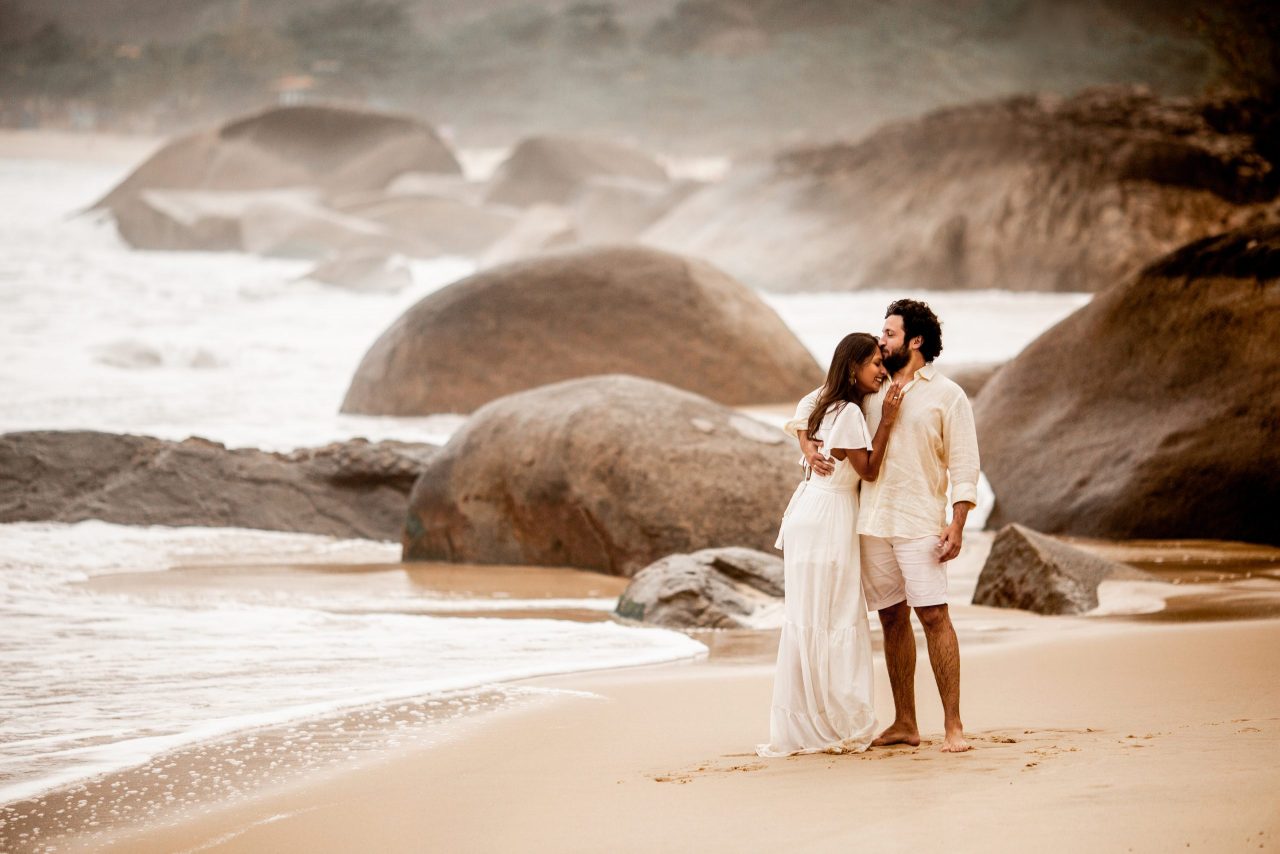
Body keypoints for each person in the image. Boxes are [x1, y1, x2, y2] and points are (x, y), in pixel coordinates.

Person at [791, 299, 979, 753]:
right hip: (870, 521)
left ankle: (953, 725)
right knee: (892, 619)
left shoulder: (947, 395)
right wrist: (805, 441)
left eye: (889, 334)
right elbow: (813, 403)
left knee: (934, 616)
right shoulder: (868, 387)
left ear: (915, 341)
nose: (881, 341)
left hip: (919, 521)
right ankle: (905, 722)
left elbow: (964, 463)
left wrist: (957, 522)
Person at [758, 333, 903, 758]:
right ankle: (837, 720)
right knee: (836, 613)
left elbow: (803, 408)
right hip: (829, 516)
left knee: (809, 617)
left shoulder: (828, 404)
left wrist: (804, 440)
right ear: (852, 367)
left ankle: (809, 719)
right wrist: (890, 419)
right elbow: (870, 471)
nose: (881, 370)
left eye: (883, 362)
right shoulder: (852, 415)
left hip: (809, 512)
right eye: (875, 363)